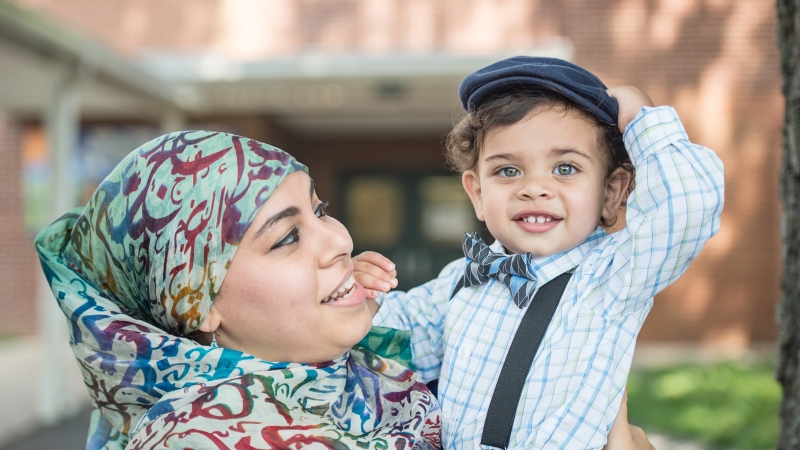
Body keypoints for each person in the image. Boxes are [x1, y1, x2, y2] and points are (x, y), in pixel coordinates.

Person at [355, 57, 725, 448]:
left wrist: (641, 117)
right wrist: (357, 298)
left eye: (565, 169)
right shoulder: (462, 278)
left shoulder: (613, 275)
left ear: (611, 192)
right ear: (478, 194)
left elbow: (688, 205)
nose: (534, 188)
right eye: (508, 171)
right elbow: (397, 345)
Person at [34, 131, 441, 450]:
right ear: (194, 302)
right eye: (287, 237)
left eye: (320, 210)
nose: (341, 242)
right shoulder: (197, 437)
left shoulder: (349, 369)